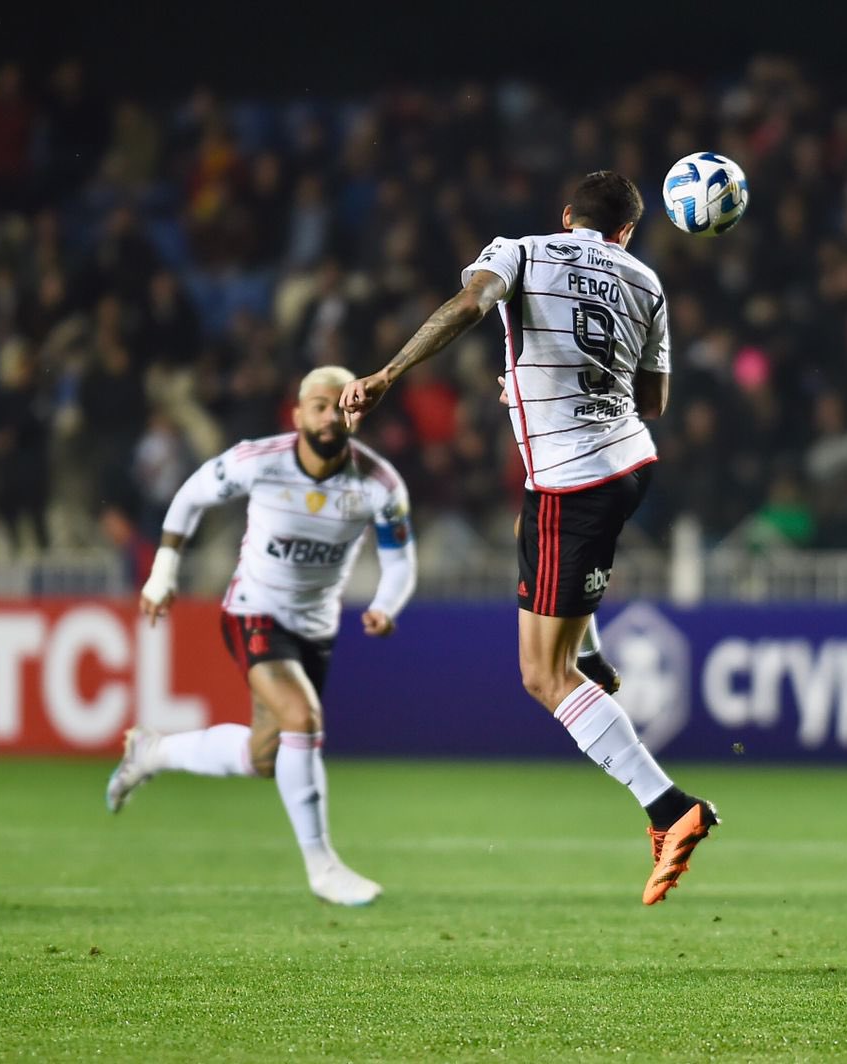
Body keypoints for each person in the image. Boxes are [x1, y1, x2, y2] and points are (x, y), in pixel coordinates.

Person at [340, 171, 717, 905]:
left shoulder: (521, 250)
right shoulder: (646, 281)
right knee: (532, 539)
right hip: (628, 464)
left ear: (566, 214)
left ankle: (671, 808)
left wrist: (389, 372)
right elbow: (656, 400)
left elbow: (469, 305)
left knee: (542, 677)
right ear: (627, 232)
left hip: (571, 482)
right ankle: (594, 650)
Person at [105, 366, 417, 907]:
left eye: (338, 404)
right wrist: (163, 573)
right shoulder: (260, 460)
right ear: (297, 414)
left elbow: (400, 560)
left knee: (265, 755)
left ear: (356, 411)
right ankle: (323, 867)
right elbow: (190, 496)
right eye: (316, 405)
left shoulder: (379, 484)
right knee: (302, 718)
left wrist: (387, 606)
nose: (327, 414)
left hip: (315, 630)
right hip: (254, 611)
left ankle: (153, 751)